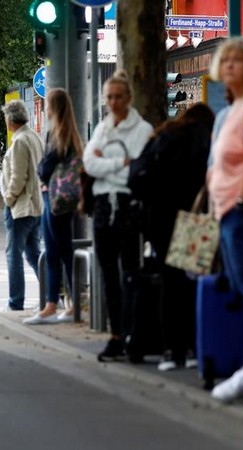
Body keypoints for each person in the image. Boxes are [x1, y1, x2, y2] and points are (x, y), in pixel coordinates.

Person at [204, 36, 243, 400]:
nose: (229, 65)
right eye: (225, 59)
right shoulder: (232, 111)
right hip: (228, 212)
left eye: (238, 60)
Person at [133, 103, 215, 370]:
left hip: (157, 219)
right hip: (191, 220)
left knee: (169, 283)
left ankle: (171, 350)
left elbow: (137, 177)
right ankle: (192, 347)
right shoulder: (203, 136)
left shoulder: (163, 134)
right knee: (190, 283)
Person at [83, 70, 153, 362]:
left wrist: (105, 162)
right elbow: (88, 164)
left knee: (131, 273)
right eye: (109, 97)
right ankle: (115, 335)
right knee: (109, 275)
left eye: (118, 96)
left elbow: (136, 171)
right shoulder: (103, 127)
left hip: (127, 205)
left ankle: (134, 336)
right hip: (102, 206)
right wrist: (118, 162)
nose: (113, 102)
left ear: (129, 98)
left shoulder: (143, 129)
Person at [24, 88, 84, 325]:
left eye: (47, 103)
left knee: (53, 251)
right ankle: (69, 304)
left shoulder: (58, 134)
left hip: (54, 199)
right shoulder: (71, 133)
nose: (45, 107)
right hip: (63, 199)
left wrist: (42, 175)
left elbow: (44, 168)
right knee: (63, 251)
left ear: (53, 107)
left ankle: (52, 305)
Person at [0, 99, 44, 311]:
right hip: (36, 206)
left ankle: (15, 302)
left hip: (20, 207)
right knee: (34, 253)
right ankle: (56, 293)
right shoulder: (34, 137)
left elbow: (19, 176)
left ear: (10, 119)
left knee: (13, 255)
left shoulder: (19, 141)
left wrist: (8, 199)